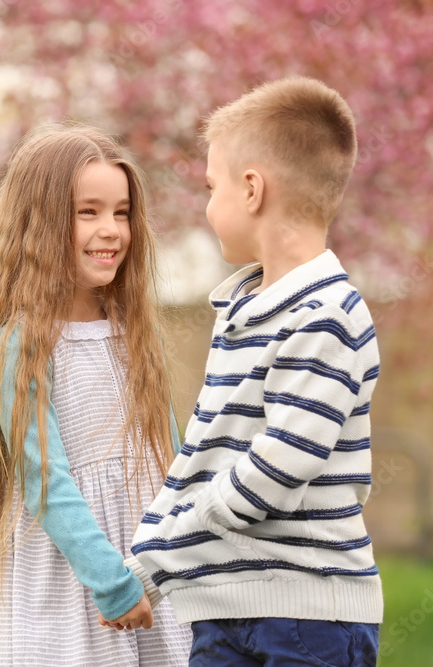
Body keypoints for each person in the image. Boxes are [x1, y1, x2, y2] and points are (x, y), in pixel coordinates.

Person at [130, 76, 382, 666]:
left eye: (211, 188)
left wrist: (163, 558)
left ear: (251, 190)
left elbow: (275, 470)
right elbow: (205, 450)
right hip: (225, 611)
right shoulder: (243, 312)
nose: (206, 206)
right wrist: (143, 555)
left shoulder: (327, 317)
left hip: (309, 617)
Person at [0, 122, 191, 666]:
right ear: (42, 222)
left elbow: (170, 464)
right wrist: (110, 580)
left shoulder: (133, 334)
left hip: (146, 572)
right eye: (89, 212)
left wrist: (165, 564)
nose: (111, 230)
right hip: (73, 578)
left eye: (121, 212)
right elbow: (45, 479)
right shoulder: (24, 342)